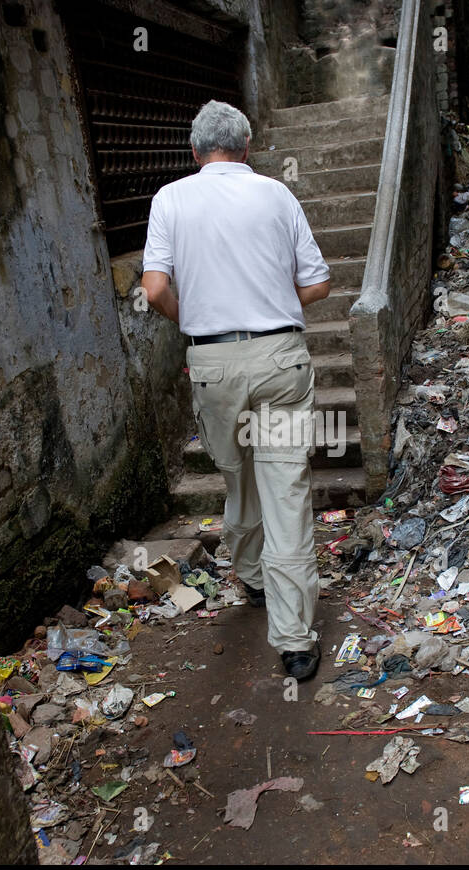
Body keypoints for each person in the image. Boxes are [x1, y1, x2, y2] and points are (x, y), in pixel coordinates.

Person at [141, 100, 331, 681]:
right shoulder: (277, 195)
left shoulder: (169, 199)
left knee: (236, 475)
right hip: (279, 361)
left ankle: (250, 578)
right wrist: (269, 312)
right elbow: (318, 283)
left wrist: (199, 326)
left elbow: (153, 290)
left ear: (196, 152)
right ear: (247, 148)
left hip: (213, 364)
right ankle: (295, 642)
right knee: (286, 490)